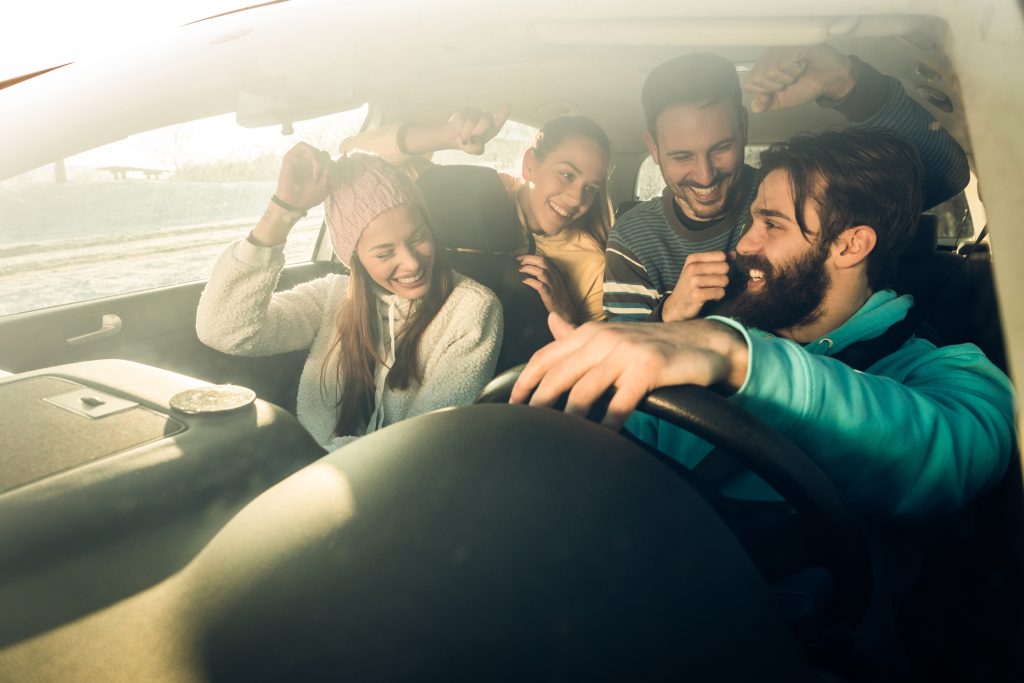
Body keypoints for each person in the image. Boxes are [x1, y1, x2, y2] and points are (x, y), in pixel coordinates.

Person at [512, 128, 1014, 525]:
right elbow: (625, 451)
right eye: (753, 220)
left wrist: (734, 356)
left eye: (772, 225)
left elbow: (949, 459)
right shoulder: (707, 338)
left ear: (850, 245)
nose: (746, 245)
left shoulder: (950, 374)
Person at [603, 45, 971, 322]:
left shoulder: (796, 193)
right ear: (652, 146)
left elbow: (944, 173)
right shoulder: (633, 240)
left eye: (722, 148)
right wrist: (668, 312)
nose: (705, 175)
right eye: (682, 156)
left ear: (744, 128)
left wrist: (846, 84)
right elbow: (623, 376)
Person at [196, 144, 503, 452]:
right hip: (315, 468)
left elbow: (427, 440)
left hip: (403, 479)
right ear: (354, 259)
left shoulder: (472, 308)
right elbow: (225, 330)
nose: (411, 263)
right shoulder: (332, 296)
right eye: (385, 253)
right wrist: (283, 211)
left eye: (419, 238)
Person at [340, 107, 613, 324]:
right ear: (530, 164)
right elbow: (349, 160)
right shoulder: (461, 198)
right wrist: (447, 135)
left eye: (590, 189)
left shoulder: (590, 264)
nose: (577, 199)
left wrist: (567, 317)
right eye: (566, 175)